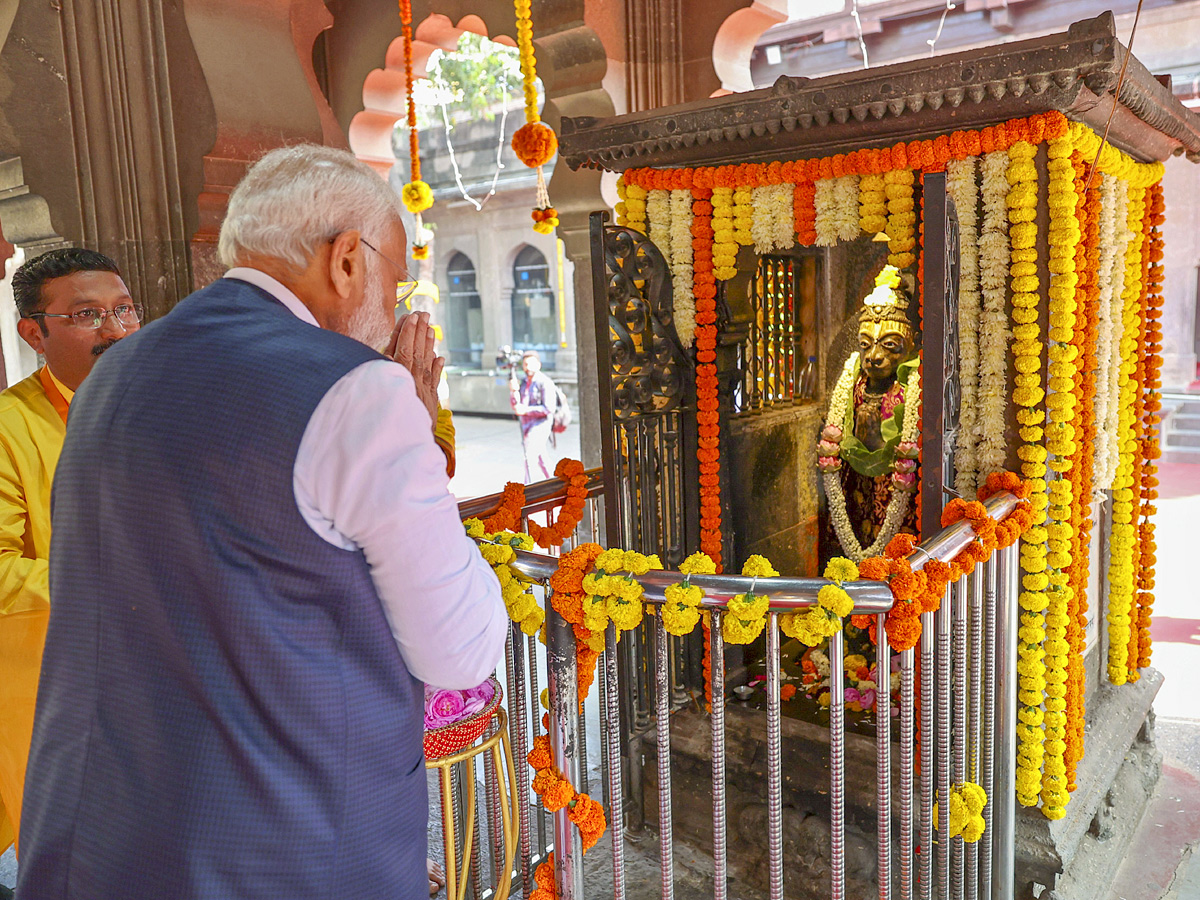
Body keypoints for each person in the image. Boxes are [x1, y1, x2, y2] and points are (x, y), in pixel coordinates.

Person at [17, 145, 507, 900]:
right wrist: (411, 420)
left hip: (103, 829)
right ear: (347, 259)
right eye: (396, 273)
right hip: (285, 848)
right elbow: (459, 650)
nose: (397, 299)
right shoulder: (359, 391)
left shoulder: (113, 371)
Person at [0, 248, 141, 863]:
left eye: (125, 310)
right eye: (88, 315)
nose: (115, 331)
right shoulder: (10, 427)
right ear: (35, 333)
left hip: (164, 673)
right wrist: (114, 584)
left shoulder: (164, 402)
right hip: (62, 690)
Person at [509, 349, 557, 482]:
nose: (527, 367)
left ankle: (529, 490)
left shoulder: (545, 382)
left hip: (540, 425)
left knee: (530, 457)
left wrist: (526, 410)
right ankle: (555, 484)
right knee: (542, 459)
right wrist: (513, 392)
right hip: (527, 425)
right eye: (525, 364)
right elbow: (516, 405)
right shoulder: (523, 382)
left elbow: (549, 408)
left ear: (538, 365)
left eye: (531, 364)